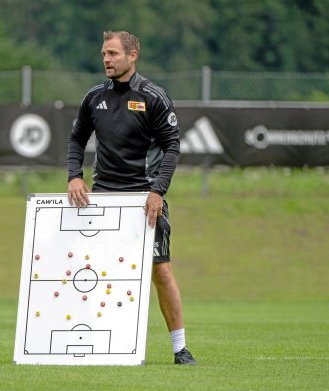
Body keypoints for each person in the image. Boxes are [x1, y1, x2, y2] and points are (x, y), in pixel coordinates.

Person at [66, 30, 197, 365]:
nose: (106, 60)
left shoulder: (153, 96)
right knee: (98, 273)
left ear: (132, 54)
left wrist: (157, 191)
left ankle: (180, 349)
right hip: (103, 200)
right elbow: (77, 138)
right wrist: (74, 176)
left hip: (144, 200)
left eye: (112, 53)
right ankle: (104, 344)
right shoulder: (94, 96)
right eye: (103, 54)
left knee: (160, 272)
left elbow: (172, 147)